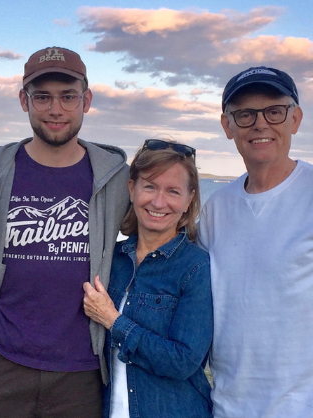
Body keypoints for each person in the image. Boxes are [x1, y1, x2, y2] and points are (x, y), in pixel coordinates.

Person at [0, 46, 130, 418]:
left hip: (83, 374)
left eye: (67, 96)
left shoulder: (114, 178)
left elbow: (157, 234)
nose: (55, 109)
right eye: (42, 96)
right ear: (24, 100)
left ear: (86, 100)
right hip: (0, 368)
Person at [198, 66, 313, 417]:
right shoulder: (216, 207)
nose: (260, 124)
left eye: (274, 111)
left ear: (295, 118)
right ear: (227, 126)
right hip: (227, 405)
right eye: (245, 114)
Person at [83, 139, 213, 418]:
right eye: (150, 186)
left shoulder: (196, 268)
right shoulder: (110, 261)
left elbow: (183, 361)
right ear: (132, 188)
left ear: (189, 199)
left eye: (173, 191)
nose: (158, 201)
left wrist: (113, 321)